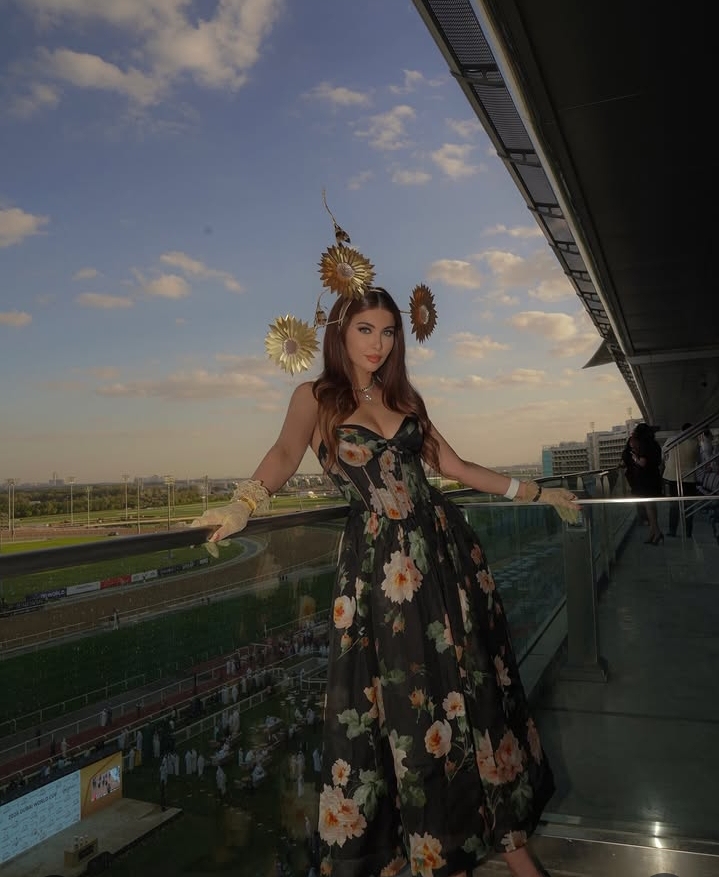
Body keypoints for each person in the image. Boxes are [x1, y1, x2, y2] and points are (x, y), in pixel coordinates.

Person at [192, 207, 579, 877]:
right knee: (406, 709)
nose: (377, 343)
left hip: (446, 559)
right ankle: (433, 853)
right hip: (380, 572)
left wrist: (538, 493)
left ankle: (514, 852)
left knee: (473, 694)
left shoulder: (407, 400)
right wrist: (242, 503)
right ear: (340, 333)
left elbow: (456, 468)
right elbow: (283, 454)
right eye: (365, 330)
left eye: (388, 332)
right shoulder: (316, 398)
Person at [621, 423, 664, 544]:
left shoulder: (645, 445)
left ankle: (657, 532)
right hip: (654, 477)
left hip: (645, 480)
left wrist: (635, 458)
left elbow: (642, 463)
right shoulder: (655, 444)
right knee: (652, 506)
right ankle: (653, 532)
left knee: (648, 506)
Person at [662, 422, 699, 538]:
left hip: (673, 477)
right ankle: (688, 531)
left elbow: (664, 454)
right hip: (690, 478)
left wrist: (668, 463)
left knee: (674, 505)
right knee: (688, 505)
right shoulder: (695, 442)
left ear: (681, 430)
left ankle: (672, 530)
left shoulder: (671, 440)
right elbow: (697, 459)